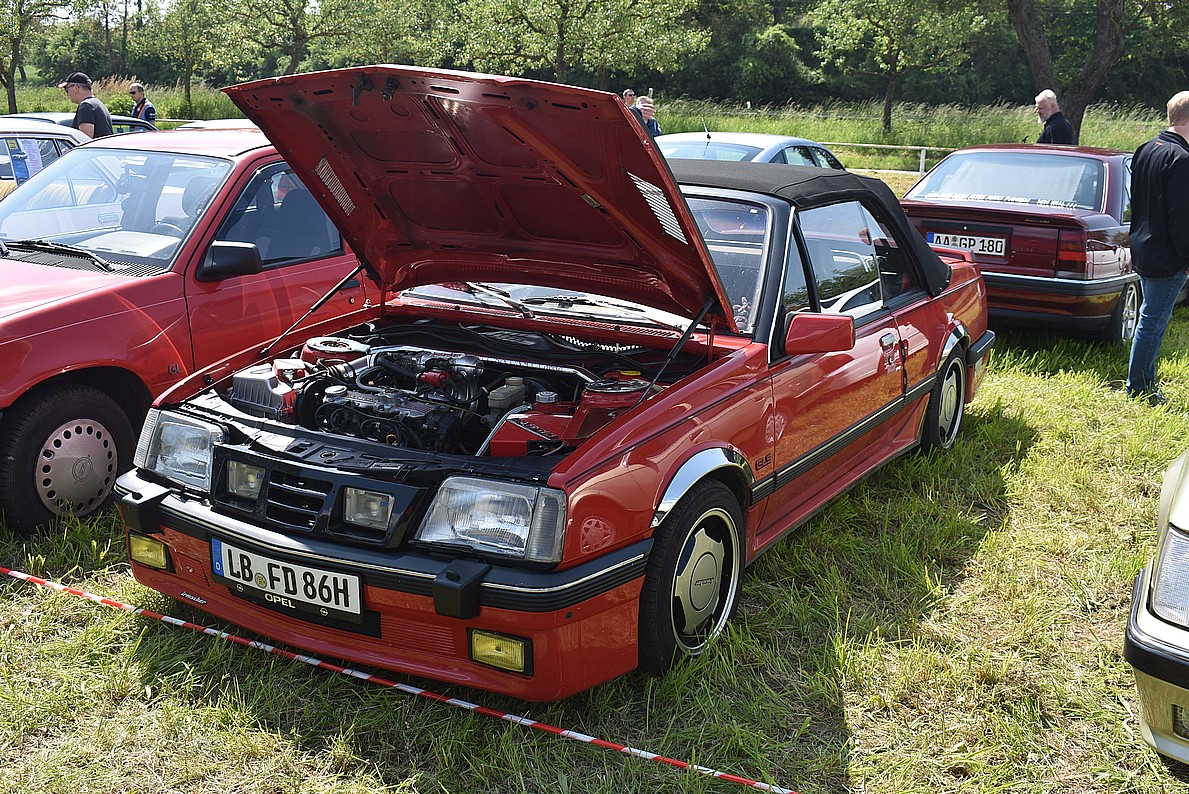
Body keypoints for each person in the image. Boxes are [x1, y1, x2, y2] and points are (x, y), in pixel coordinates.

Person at [1125, 90, 1189, 405]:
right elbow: (1181, 217)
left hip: (1143, 246)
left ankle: (1143, 382)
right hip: (1167, 255)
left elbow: (1135, 203)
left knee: (1149, 318)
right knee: (1153, 321)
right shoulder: (1182, 159)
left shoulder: (1145, 149)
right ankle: (1139, 387)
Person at [59, 72, 113, 139]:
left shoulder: (86, 106)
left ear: (76, 88)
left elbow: (85, 140)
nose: (67, 94)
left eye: (66, 89)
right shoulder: (97, 104)